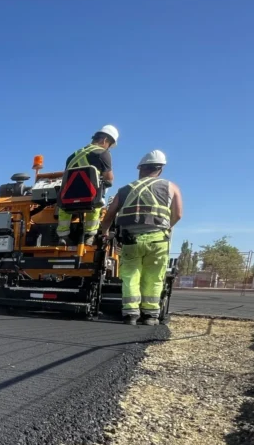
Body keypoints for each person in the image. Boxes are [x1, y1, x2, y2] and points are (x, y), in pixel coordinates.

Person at [101, 150, 183, 325]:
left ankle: (131, 314)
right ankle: (150, 316)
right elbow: (179, 214)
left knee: (131, 276)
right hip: (158, 240)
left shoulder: (124, 190)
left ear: (140, 169)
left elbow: (108, 216)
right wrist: (166, 227)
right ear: (160, 169)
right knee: (153, 277)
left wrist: (104, 233)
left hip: (131, 240)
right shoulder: (171, 187)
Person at [57, 124, 118, 246]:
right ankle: (89, 235)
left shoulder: (72, 156)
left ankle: (63, 236)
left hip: (68, 199)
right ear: (105, 140)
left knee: (64, 207)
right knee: (97, 201)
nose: (109, 148)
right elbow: (109, 179)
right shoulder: (103, 153)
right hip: (90, 199)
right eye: (109, 145)